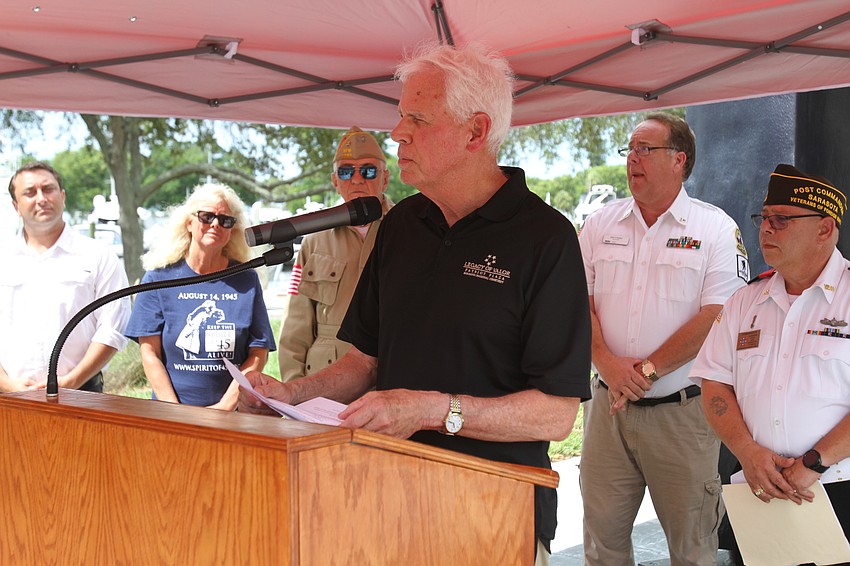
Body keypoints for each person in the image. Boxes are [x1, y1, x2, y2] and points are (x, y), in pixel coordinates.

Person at [239, 42, 591, 564]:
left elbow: (555, 416)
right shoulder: (402, 225)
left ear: (476, 131)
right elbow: (365, 362)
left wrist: (430, 410)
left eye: (418, 120)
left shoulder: (546, 238)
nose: (398, 133)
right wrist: (291, 395)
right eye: (401, 116)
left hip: (493, 511)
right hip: (386, 495)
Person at [578, 112, 749, 565]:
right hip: (607, 412)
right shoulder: (599, 225)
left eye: (645, 149)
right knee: (602, 545)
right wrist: (609, 366)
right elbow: (578, 303)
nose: (633, 158)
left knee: (692, 549)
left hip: (683, 415)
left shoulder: (714, 228)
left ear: (679, 160)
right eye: (629, 149)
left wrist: (648, 370)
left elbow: (719, 314)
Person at [691, 164, 850, 549]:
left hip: (839, 488)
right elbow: (714, 382)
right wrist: (747, 450)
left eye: (781, 220)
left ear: (825, 229)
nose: (766, 229)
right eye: (763, 218)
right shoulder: (746, 301)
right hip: (759, 488)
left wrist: (815, 461)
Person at [125, 183, 276, 410]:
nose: (215, 224)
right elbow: (149, 353)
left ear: (232, 230)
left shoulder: (246, 280)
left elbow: (258, 352)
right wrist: (175, 410)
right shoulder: (158, 278)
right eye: (206, 217)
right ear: (189, 222)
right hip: (170, 415)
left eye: (225, 220)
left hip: (231, 415)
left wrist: (224, 407)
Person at [0, 161, 130, 393]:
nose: (41, 198)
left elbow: (113, 327)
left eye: (48, 189)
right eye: (29, 192)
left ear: (62, 196)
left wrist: (72, 382)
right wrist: (7, 384)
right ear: (16, 206)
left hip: (82, 394)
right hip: (9, 398)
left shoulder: (98, 255)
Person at [277, 126, 392, 382]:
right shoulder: (314, 240)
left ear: (385, 178)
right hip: (325, 381)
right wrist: (295, 391)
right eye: (346, 171)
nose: (358, 179)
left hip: (390, 377)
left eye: (369, 170)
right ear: (335, 181)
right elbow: (295, 326)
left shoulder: (409, 231)